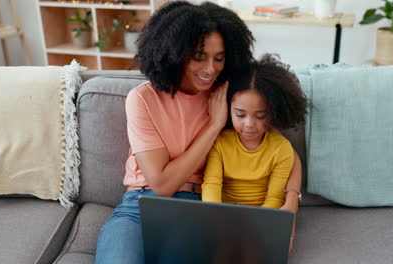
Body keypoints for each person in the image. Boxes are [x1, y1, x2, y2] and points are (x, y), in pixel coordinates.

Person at [95, 1, 301, 263]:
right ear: (175, 52)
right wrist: (214, 125)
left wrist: (291, 203)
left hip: (197, 207)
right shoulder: (142, 99)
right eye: (199, 57)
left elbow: (285, 151)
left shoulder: (229, 96)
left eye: (219, 58)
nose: (210, 69)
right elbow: (162, 184)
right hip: (139, 204)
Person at [202, 54, 308, 210]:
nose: (249, 124)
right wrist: (216, 218)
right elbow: (211, 185)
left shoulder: (282, 149)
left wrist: (258, 223)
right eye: (240, 114)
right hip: (223, 215)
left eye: (260, 116)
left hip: (264, 215)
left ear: (273, 113)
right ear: (228, 109)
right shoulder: (219, 143)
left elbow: (275, 198)